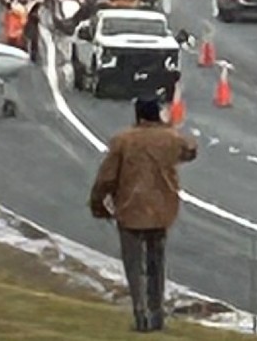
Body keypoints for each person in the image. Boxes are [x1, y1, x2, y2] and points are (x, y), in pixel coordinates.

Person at [88, 95, 199, 333]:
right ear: (158, 113)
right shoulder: (171, 139)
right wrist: (169, 126)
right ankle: (158, 313)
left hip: (130, 209)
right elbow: (191, 149)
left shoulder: (123, 140)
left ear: (137, 114)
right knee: (156, 263)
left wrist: (98, 203)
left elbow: (107, 178)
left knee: (134, 265)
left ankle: (141, 315)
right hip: (161, 211)